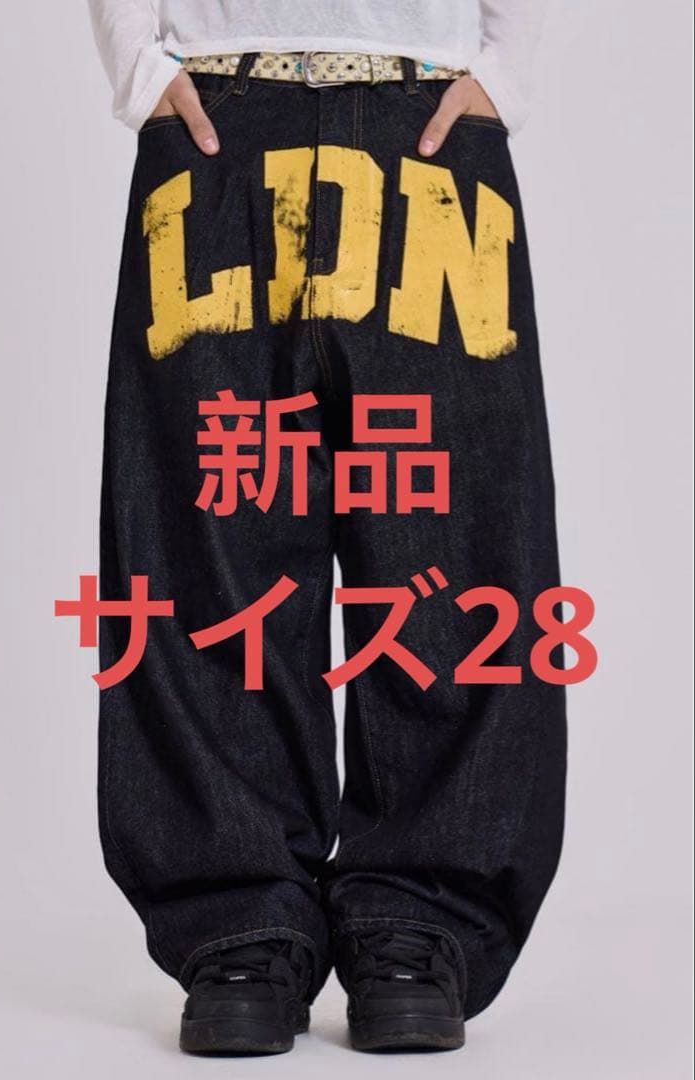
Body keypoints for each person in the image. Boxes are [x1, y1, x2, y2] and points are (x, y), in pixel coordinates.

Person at [87, 0, 566, 1056]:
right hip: (215, 116)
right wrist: (138, 70)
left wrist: (504, 71)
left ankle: (421, 917)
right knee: (210, 549)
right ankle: (238, 917)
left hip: (425, 118)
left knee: (450, 549)